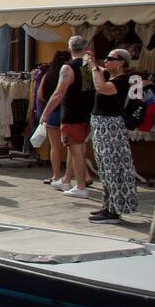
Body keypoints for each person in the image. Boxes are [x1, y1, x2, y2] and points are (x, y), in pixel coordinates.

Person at [85, 48, 141, 224]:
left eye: (111, 58)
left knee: (112, 167)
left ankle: (114, 211)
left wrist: (94, 67)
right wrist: (93, 62)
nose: (106, 61)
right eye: (106, 58)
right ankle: (108, 206)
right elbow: (100, 73)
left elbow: (101, 87)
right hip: (102, 128)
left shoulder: (122, 81)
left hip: (111, 128)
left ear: (121, 63)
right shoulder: (113, 77)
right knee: (104, 168)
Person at [39, 35, 95, 199]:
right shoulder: (89, 67)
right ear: (85, 48)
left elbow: (58, 94)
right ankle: (68, 180)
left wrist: (45, 114)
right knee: (77, 149)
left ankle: (80, 186)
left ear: (70, 48)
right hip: (87, 113)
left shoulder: (68, 68)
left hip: (72, 114)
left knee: (76, 151)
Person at [38, 51, 70, 187]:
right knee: (73, 148)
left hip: (52, 112)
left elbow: (40, 95)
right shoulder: (70, 73)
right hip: (67, 111)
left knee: (54, 146)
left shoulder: (47, 75)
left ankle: (56, 176)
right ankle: (73, 177)